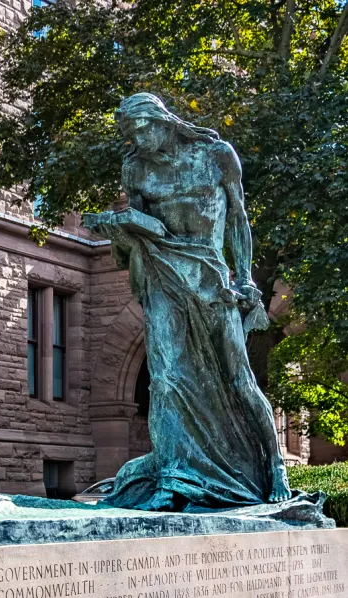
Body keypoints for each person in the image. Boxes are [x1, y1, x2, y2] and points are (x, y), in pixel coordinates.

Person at [84, 92, 290, 510]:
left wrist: (246, 278)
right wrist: (116, 226)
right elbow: (135, 239)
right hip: (162, 278)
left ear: (163, 121)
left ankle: (275, 468)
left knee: (238, 380)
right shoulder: (135, 168)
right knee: (165, 379)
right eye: (131, 133)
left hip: (212, 278)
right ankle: (174, 478)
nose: (140, 138)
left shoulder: (216, 155)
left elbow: (238, 219)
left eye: (144, 128)